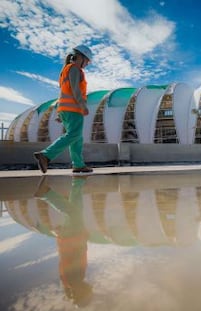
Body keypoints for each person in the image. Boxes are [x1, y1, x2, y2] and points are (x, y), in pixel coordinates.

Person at [34, 175, 93, 307]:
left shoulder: (75, 280)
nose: (90, 289)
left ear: (82, 293)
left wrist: (83, 238)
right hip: (70, 238)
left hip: (73, 237)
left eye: (88, 292)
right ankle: (77, 182)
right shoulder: (69, 282)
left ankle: (45, 194)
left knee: (73, 212)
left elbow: (75, 255)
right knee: (77, 208)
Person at [34, 45, 93, 174]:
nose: (87, 64)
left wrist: (60, 112)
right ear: (81, 57)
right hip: (74, 109)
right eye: (87, 61)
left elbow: (63, 93)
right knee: (73, 135)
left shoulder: (66, 70)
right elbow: (75, 90)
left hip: (66, 109)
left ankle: (78, 164)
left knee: (77, 138)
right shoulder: (75, 69)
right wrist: (83, 105)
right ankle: (46, 155)